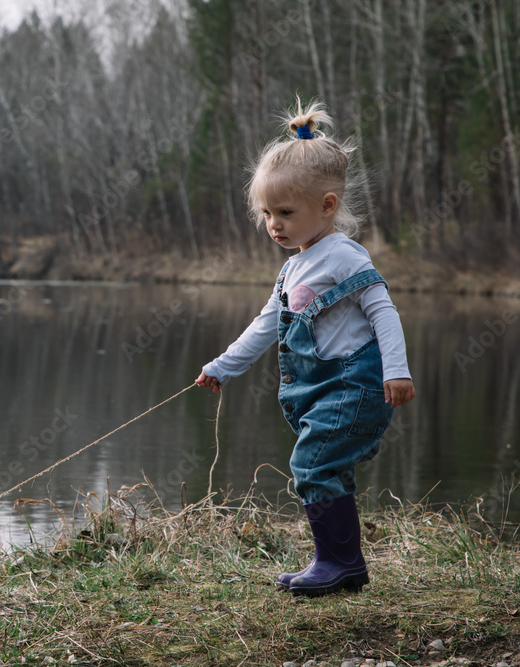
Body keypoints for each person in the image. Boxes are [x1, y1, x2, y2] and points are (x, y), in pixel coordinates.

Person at [195, 98, 415, 597]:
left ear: (328, 206)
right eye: (267, 213)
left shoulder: (343, 256)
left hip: (355, 386)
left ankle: (335, 561)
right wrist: (222, 366)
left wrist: (396, 372)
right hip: (322, 389)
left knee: (311, 465)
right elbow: (266, 323)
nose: (274, 224)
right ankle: (345, 565)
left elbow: (384, 311)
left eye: (286, 213)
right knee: (325, 468)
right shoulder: (294, 266)